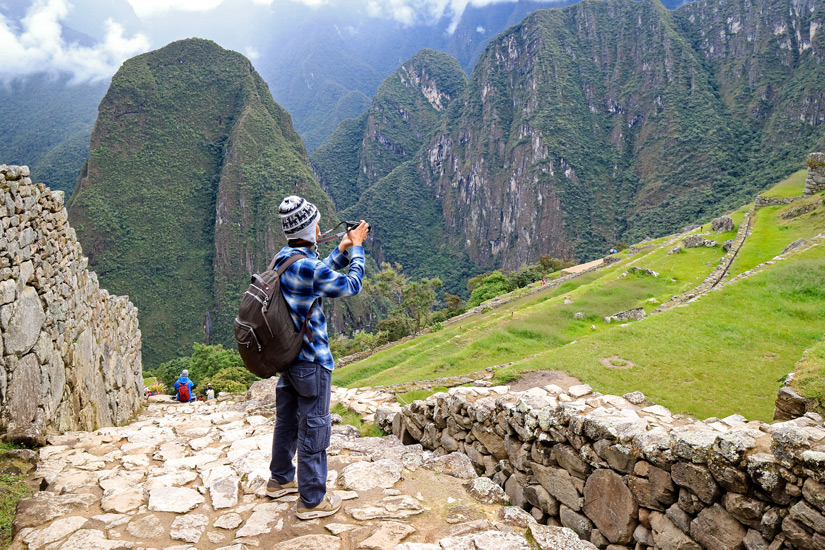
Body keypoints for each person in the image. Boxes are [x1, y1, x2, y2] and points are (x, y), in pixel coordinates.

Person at [266, 195, 368, 520]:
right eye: (317, 223)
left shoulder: (283, 259)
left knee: (287, 422)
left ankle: (280, 479)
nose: (320, 227)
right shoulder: (306, 266)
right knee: (314, 425)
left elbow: (317, 276)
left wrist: (340, 250)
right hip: (312, 361)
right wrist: (358, 249)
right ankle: (312, 499)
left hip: (288, 358)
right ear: (311, 228)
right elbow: (350, 285)